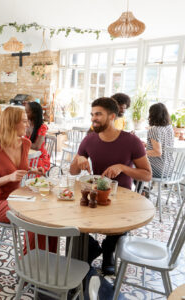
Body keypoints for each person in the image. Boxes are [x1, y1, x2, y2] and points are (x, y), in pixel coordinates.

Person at [70, 97, 151, 275]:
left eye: (98, 114)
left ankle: (108, 252)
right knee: (72, 223)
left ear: (112, 116)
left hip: (121, 198)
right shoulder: (89, 140)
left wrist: (122, 167)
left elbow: (147, 174)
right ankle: (90, 248)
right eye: (92, 114)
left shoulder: (131, 141)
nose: (93, 118)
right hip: (93, 193)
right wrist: (79, 158)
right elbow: (73, 172)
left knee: (118, 227)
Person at [0, 107, 55, 252]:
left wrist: (33, 170)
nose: (28, 125)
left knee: (47, 211)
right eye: (24, 121)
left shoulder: (25, 144)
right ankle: (29, 260)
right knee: (33, 214)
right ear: (11, 124)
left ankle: (49, 259)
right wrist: (9, 177)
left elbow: (18, 167)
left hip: (18, 197)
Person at [146, 103, 174, 178]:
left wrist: (140, 152)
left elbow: (157, 152)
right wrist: (146, 145)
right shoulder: (169, 128)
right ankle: (144, 187)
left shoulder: (154, 130)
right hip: (169, 169)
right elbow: (163, 145)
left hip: (159, 171)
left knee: (133, 163)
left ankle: (138, 189)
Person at [25, 101, 50, 171]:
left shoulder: (42, 127)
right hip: (29, 155)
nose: (24, 114)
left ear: (34, 114)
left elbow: (37, 146)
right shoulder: (27, 125)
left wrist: (22, 143)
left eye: (27, 112)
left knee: (20, 166)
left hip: (39, 158)